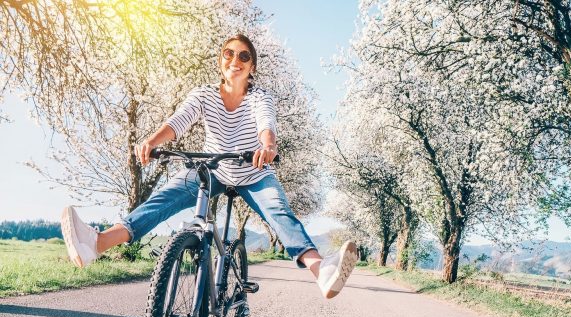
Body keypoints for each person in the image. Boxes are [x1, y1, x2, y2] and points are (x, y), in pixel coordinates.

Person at [60, 34, 357, 299]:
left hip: (253, 172)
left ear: (251, 66)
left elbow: (266, 125)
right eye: (229, 54)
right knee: (163, 199)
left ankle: (322, 271)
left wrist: (268, 147)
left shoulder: (259, 97)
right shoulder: (203, 95)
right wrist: (151, 141)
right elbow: (178, 121)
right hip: (212, 169)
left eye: (244, 56)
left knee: (279, 213)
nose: (235, 60)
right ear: (220, 62)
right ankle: (97, 243)